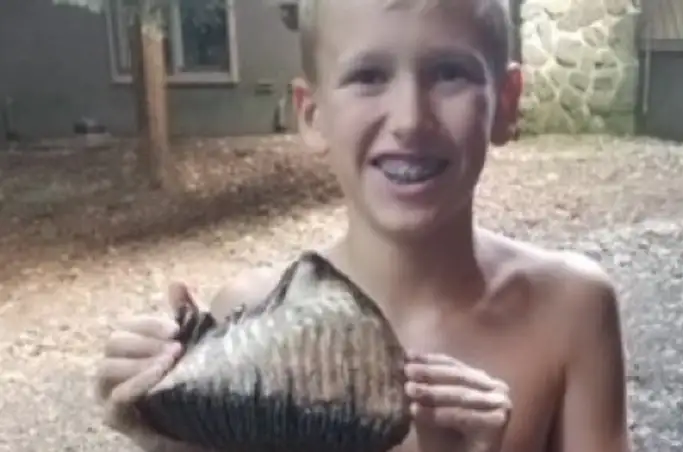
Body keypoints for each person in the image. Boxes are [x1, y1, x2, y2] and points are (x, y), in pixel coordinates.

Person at [94, 0, 632, 450]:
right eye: (369, 76)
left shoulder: (571, 311)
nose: (410, 119)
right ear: (313, 114)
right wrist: (167, 431)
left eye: (450, 72)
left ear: (506, 102)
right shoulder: (251, 316)